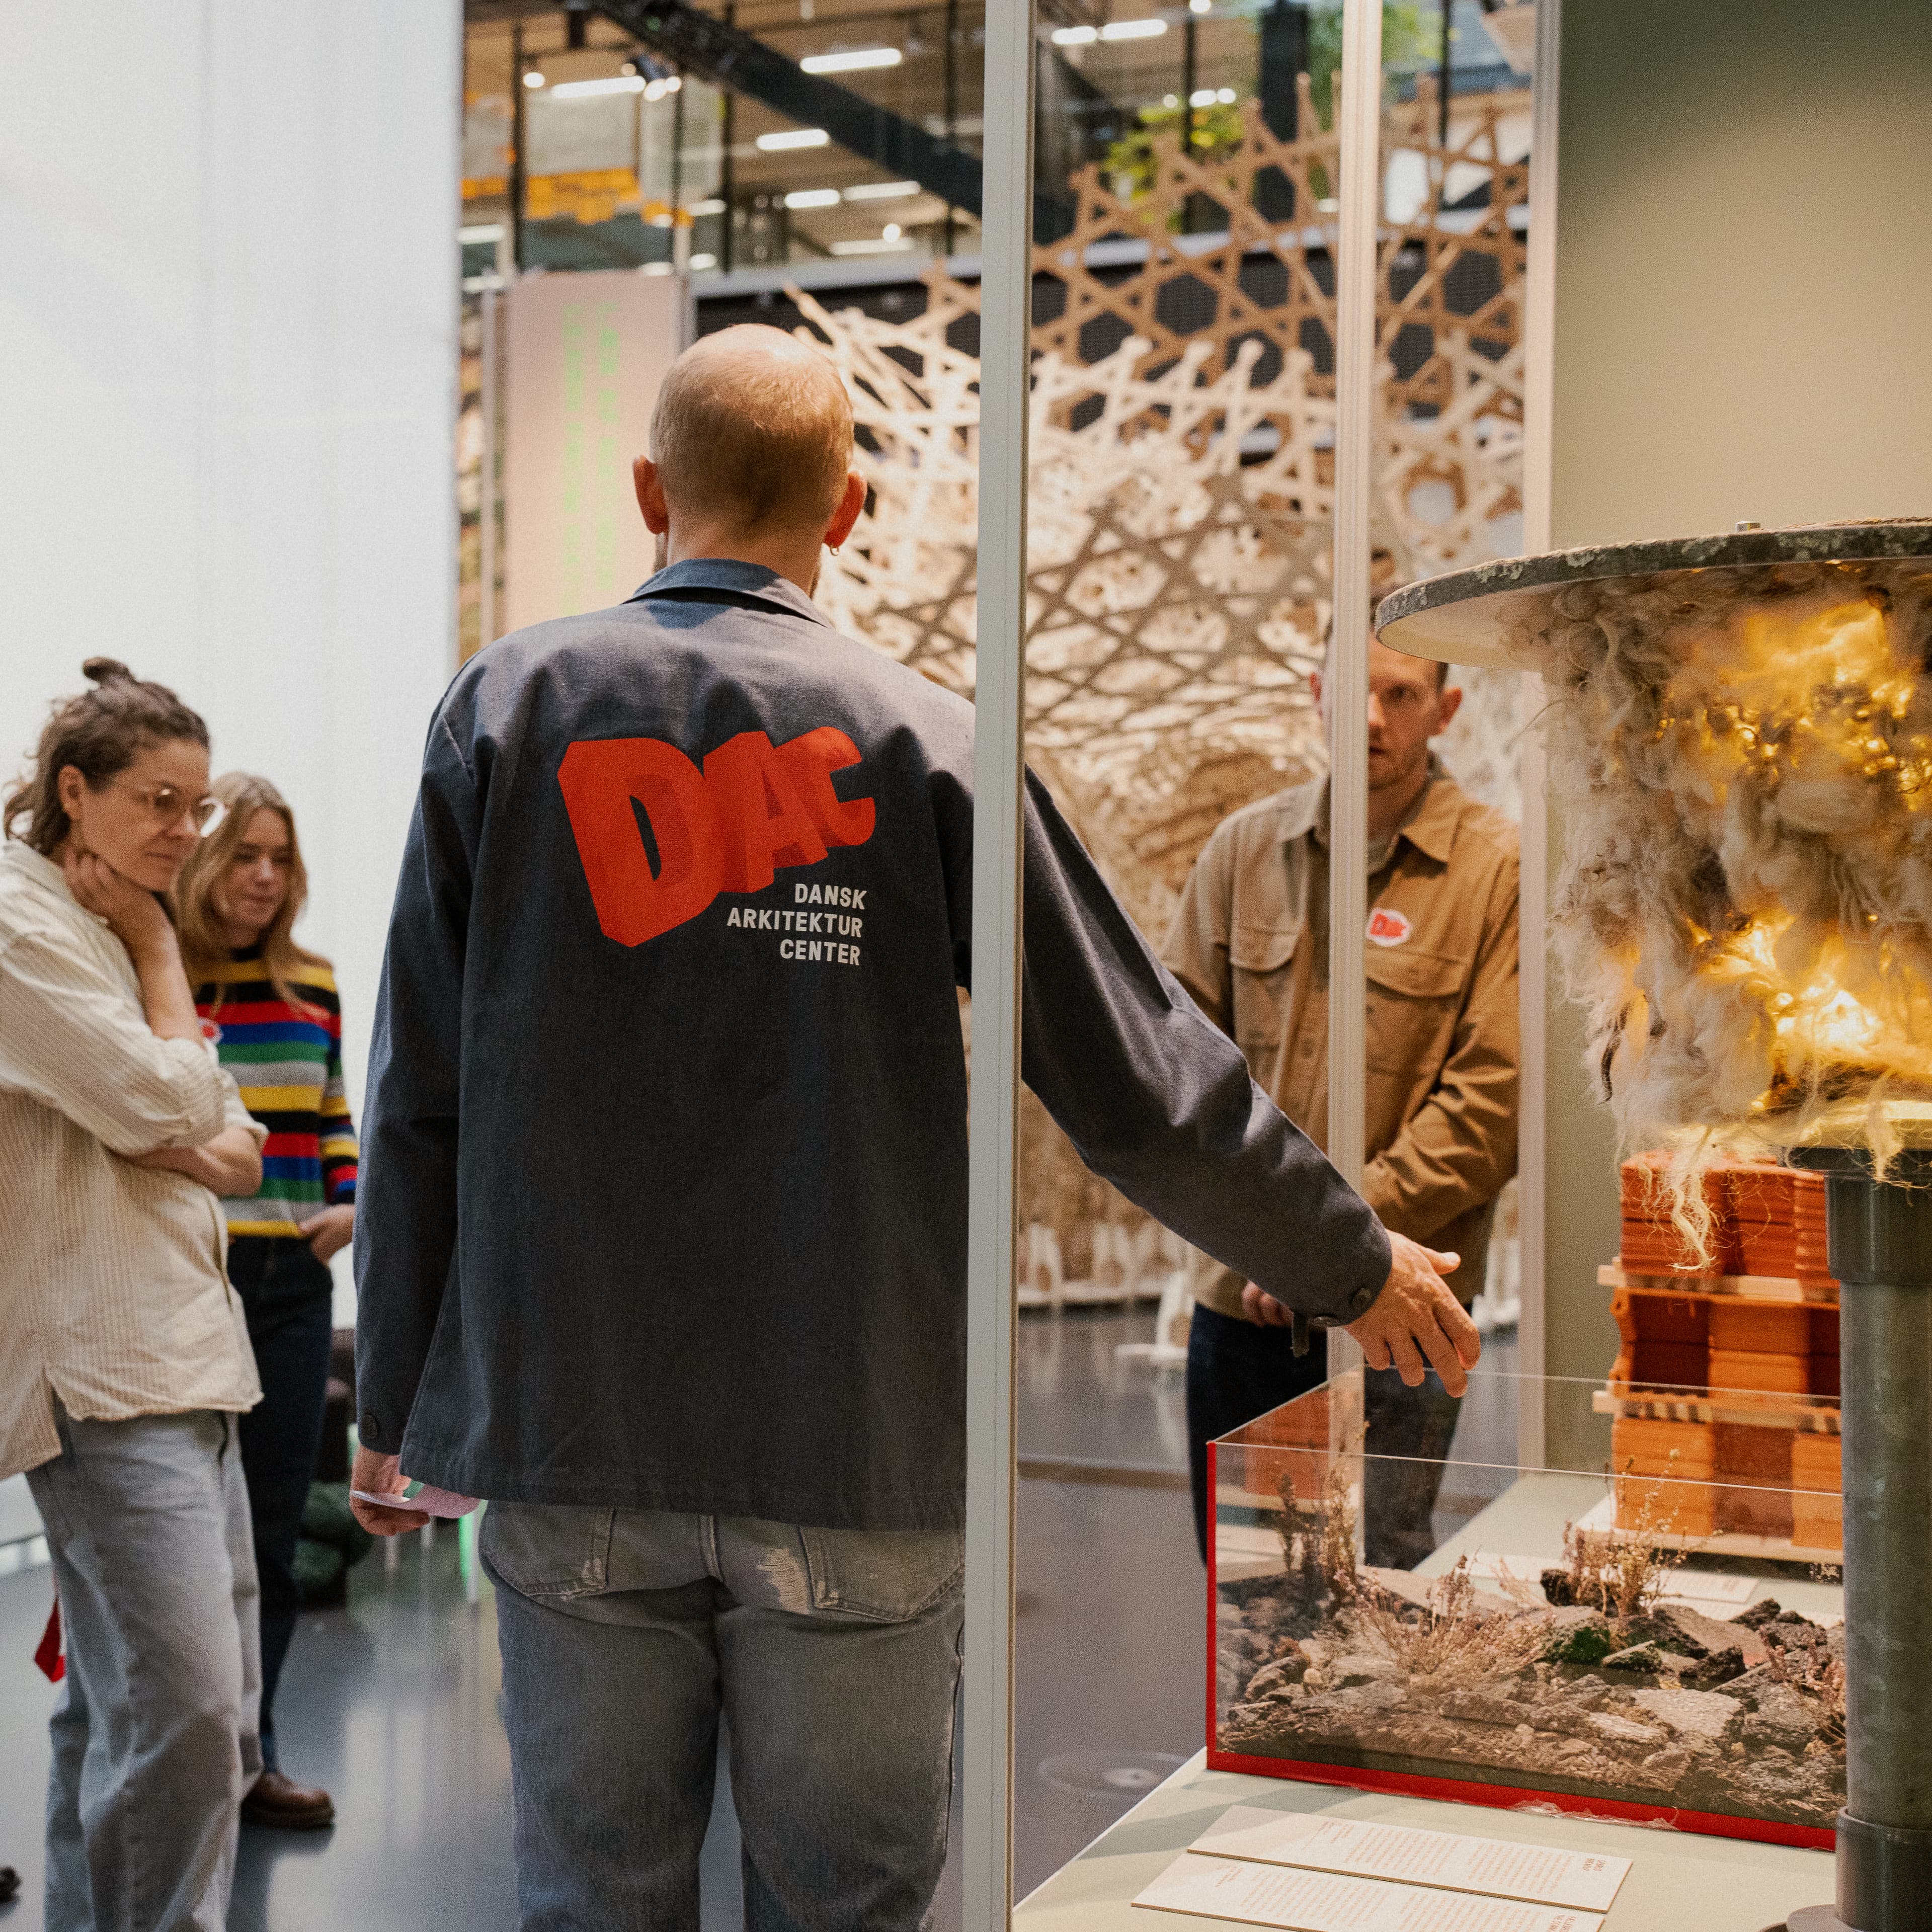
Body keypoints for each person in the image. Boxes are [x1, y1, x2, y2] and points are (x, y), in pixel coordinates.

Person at [349, 325, 1479, 1932]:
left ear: (649, 490)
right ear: (851, 507)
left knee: (594, 1903)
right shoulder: (932, 738)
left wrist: (397, 1388)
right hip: (852, 1436)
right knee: (853, 1909)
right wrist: (1350, 1262)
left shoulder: (507, 709)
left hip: (571, 1427)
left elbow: (419, 1093)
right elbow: (1138, 1076)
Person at [0, 660, 267, 1932]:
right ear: (75, 792)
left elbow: (239, 1144)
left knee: (124, 1710)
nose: (184, 830)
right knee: (185, 1716)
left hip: (184, 1355)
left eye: (195, 806)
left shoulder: (98, 924)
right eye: (160, 801)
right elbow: (173, 1099)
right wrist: (165, 954)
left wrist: (172, 1109)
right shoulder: (20, 923)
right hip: (107, 1370)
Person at [1162, 626, 1520, 1564]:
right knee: (1242, 1588)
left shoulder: (1496, 870)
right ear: (1317, 691)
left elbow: (1490, 1105)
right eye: (1353, 689)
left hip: (1403, 1308)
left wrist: (1323, 1245)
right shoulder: (1244, 851)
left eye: (1402, 695)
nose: (1370, 717)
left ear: (1446, 711)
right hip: (1242, 1306)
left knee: (1377, 1585)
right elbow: (1175, 1063)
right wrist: (1270, 1239)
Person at [175, 772, 357, 1831]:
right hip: (188, 1284)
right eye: (245, 854)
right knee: (186, 1539)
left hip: (291, 1286)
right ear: (206, 861)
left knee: (271, 1537)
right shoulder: (164, 980)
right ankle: (183, 1760)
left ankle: (255, 1756)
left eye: (280, 858)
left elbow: (330, 1113)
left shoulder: (313, 983)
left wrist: (351, 1202)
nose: (263, 876)